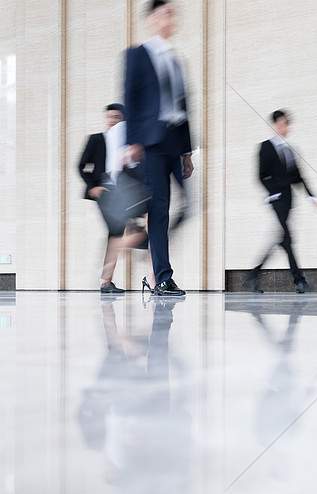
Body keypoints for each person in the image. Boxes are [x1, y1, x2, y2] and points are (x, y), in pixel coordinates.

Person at [124, 0, 193, 297]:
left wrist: (188, 151)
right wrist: (133, 141)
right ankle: (162, 277)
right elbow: (130, 97)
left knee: (189, 204)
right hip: (151, 143)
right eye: (165, 13)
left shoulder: (177, 61)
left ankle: (145, 241)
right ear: (152, 18)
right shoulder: (138, 55)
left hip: (175, 141)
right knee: (160, 208)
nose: (170, 18)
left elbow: (185, 107)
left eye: (172, 14)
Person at [244, 110, 317, 294]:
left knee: (282, 239)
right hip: (276, 200)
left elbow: (298, 177)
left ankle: (253, 275)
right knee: (287, 238)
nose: (286, 127)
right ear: (276, 124)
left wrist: (312, 196)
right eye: (283, 123)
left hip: (289, 201)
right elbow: (261, 175)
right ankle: (299, 281)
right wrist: (272, 192)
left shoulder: (290, 150)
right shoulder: (265, 147)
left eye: (288, 124)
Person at [78, 103, 146, 293]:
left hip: (127, 191)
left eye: (117, 117)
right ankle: (105, 280)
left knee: (134, 230)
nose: (113, 120)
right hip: (105, 192)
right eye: (110, 117)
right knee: (116, 232)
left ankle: (105, 279)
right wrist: (93, 187)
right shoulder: (96, 139)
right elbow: (81, 165)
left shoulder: (127, 141)